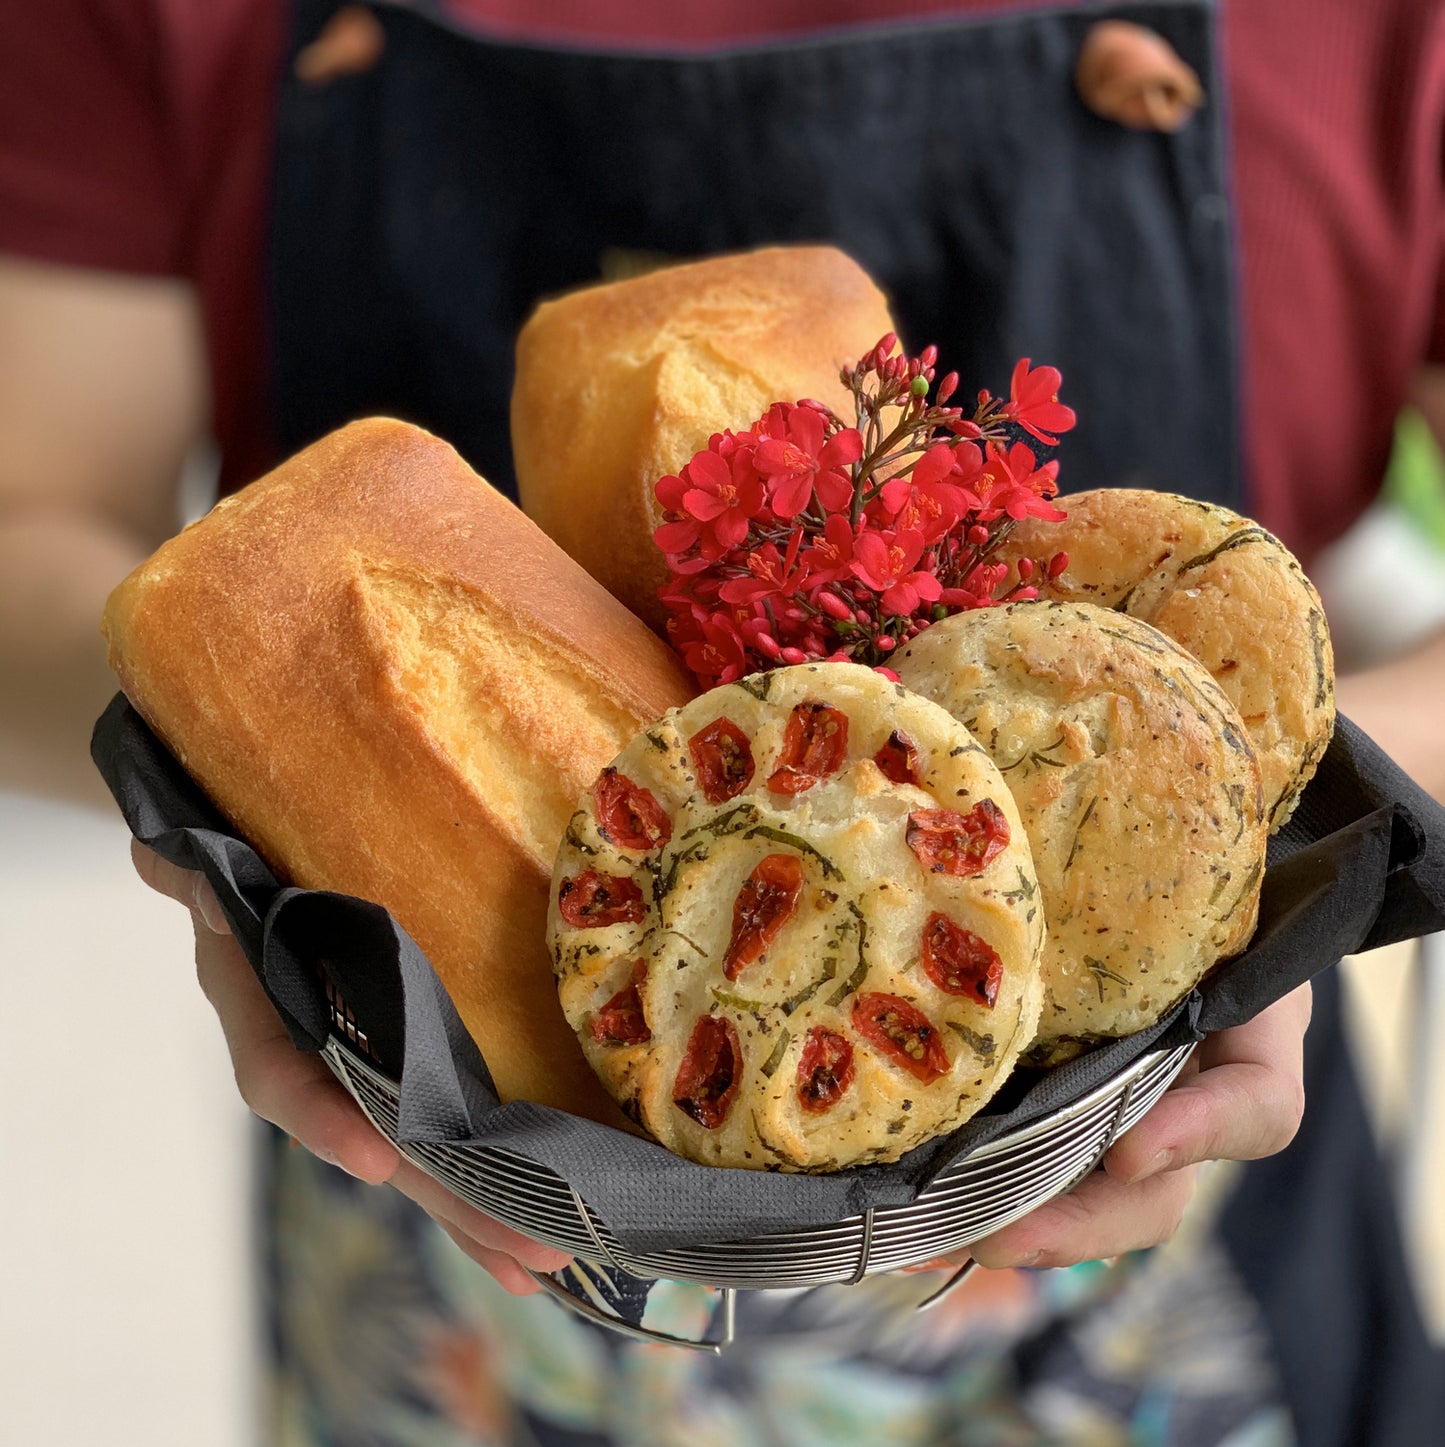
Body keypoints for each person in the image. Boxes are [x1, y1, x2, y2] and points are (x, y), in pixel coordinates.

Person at [2, 2, 1442, 1443]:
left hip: (1160, 1221)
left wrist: (1264, 831)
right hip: (446, 1216)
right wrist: (225, 819)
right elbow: (34, 526)